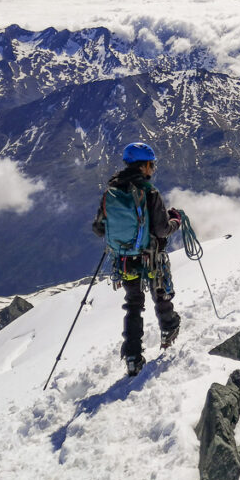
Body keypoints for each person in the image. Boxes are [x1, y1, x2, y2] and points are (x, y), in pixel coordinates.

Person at [92, 141, 182, 376]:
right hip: (150, 256)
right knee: (160, 292)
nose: (152, 169)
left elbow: (99, 228)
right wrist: (176, 221)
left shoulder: (111, 192)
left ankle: (132, 356)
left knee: (133, 305)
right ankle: (169, 327)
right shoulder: (150, 192)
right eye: (151, 164)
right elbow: (162, 229)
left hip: (123, 260)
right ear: (143, 166)